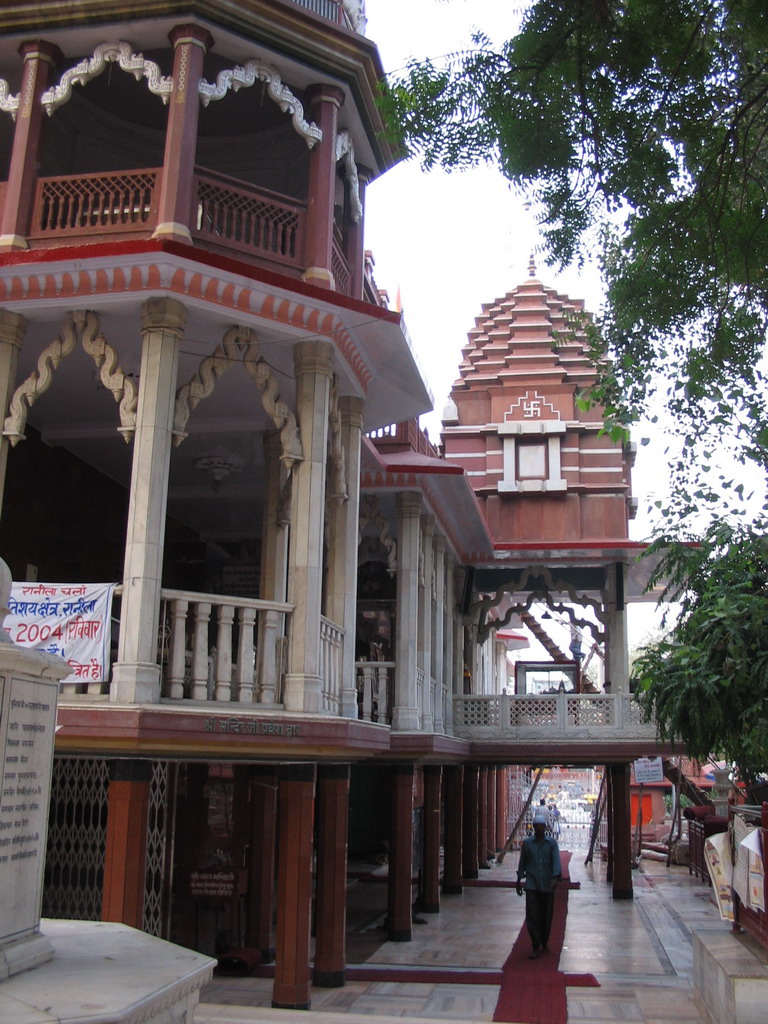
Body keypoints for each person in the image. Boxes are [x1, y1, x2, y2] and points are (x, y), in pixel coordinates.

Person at [516, 809, 562, 958]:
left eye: (542, 826)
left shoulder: (552, 844)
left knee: (546, 916)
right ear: (534, 828)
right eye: (537, 826)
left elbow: (556, 862)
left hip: (548, 885)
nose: (540, 828)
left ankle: (544, 940)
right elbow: (522, 862)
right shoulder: (528, 844)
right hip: (533, 885)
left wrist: (555, 878)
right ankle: (535, 944)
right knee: (532, 915)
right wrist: (519, 879)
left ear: (546, 827)